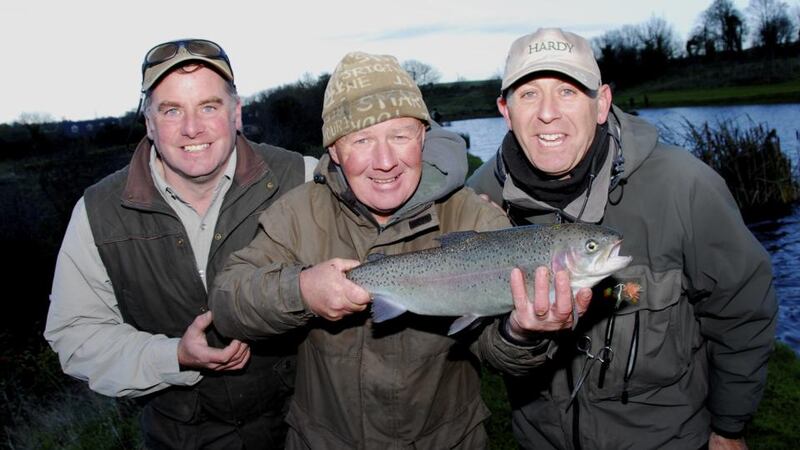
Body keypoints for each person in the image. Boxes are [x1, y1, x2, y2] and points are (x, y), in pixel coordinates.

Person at [209, 51, 590, 449]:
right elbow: (227, 303)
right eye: (362, 140)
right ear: (335, 152)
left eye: (400, 135)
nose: (386, 160)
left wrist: (521, 333)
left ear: (423, 136)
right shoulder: (297, 213)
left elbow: (498, 354)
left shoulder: (475, 218)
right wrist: (301, 290)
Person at [467, 28, 777, 450]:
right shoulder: (479, 199)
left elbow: (742, 311)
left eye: (568, 91)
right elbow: (479, 343)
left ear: (602, 103)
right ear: (505, 109)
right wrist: (517, 335)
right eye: (528, 95)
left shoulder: (684, 186)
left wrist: (729, 427)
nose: (547, 113)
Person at [44, 38, 319, 449]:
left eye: (209, 106)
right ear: (149, 123)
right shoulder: (98, 212)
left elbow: (383, 184)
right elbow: (75, 334)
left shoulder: (301, 177)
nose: (193, 128)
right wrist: (173, 356)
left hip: (299, 432)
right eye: (172, 111)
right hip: (179, 438)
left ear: (237, 113)